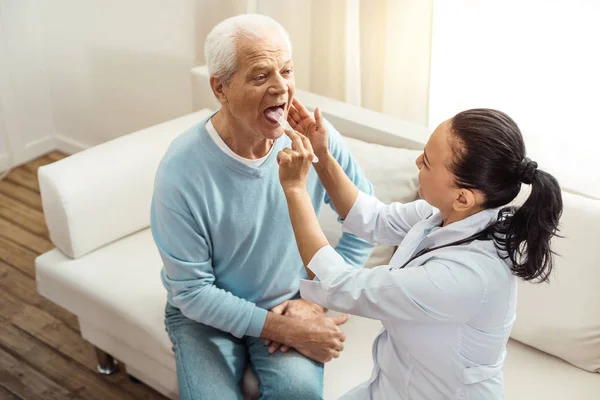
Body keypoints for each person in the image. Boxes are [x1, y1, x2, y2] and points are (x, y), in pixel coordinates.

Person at [150, 14, 374, 400]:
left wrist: (315, 298)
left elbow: (364, 223)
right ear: (220, 88)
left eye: (286, 71)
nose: (281, 89)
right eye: (260, 76)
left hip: (288, 299)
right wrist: (283, 329)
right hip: (205, 317)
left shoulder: (315, 140)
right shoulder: (181, 169)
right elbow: (192, 291)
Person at [277, 102, 563, 399]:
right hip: (390, 388)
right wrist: (321, 154)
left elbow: (339, 284)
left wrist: (296, 190)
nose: (417, 162)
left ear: (463, 197)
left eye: (426, 162)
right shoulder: (451, 213)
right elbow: (373, 219)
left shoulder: (467, 277)